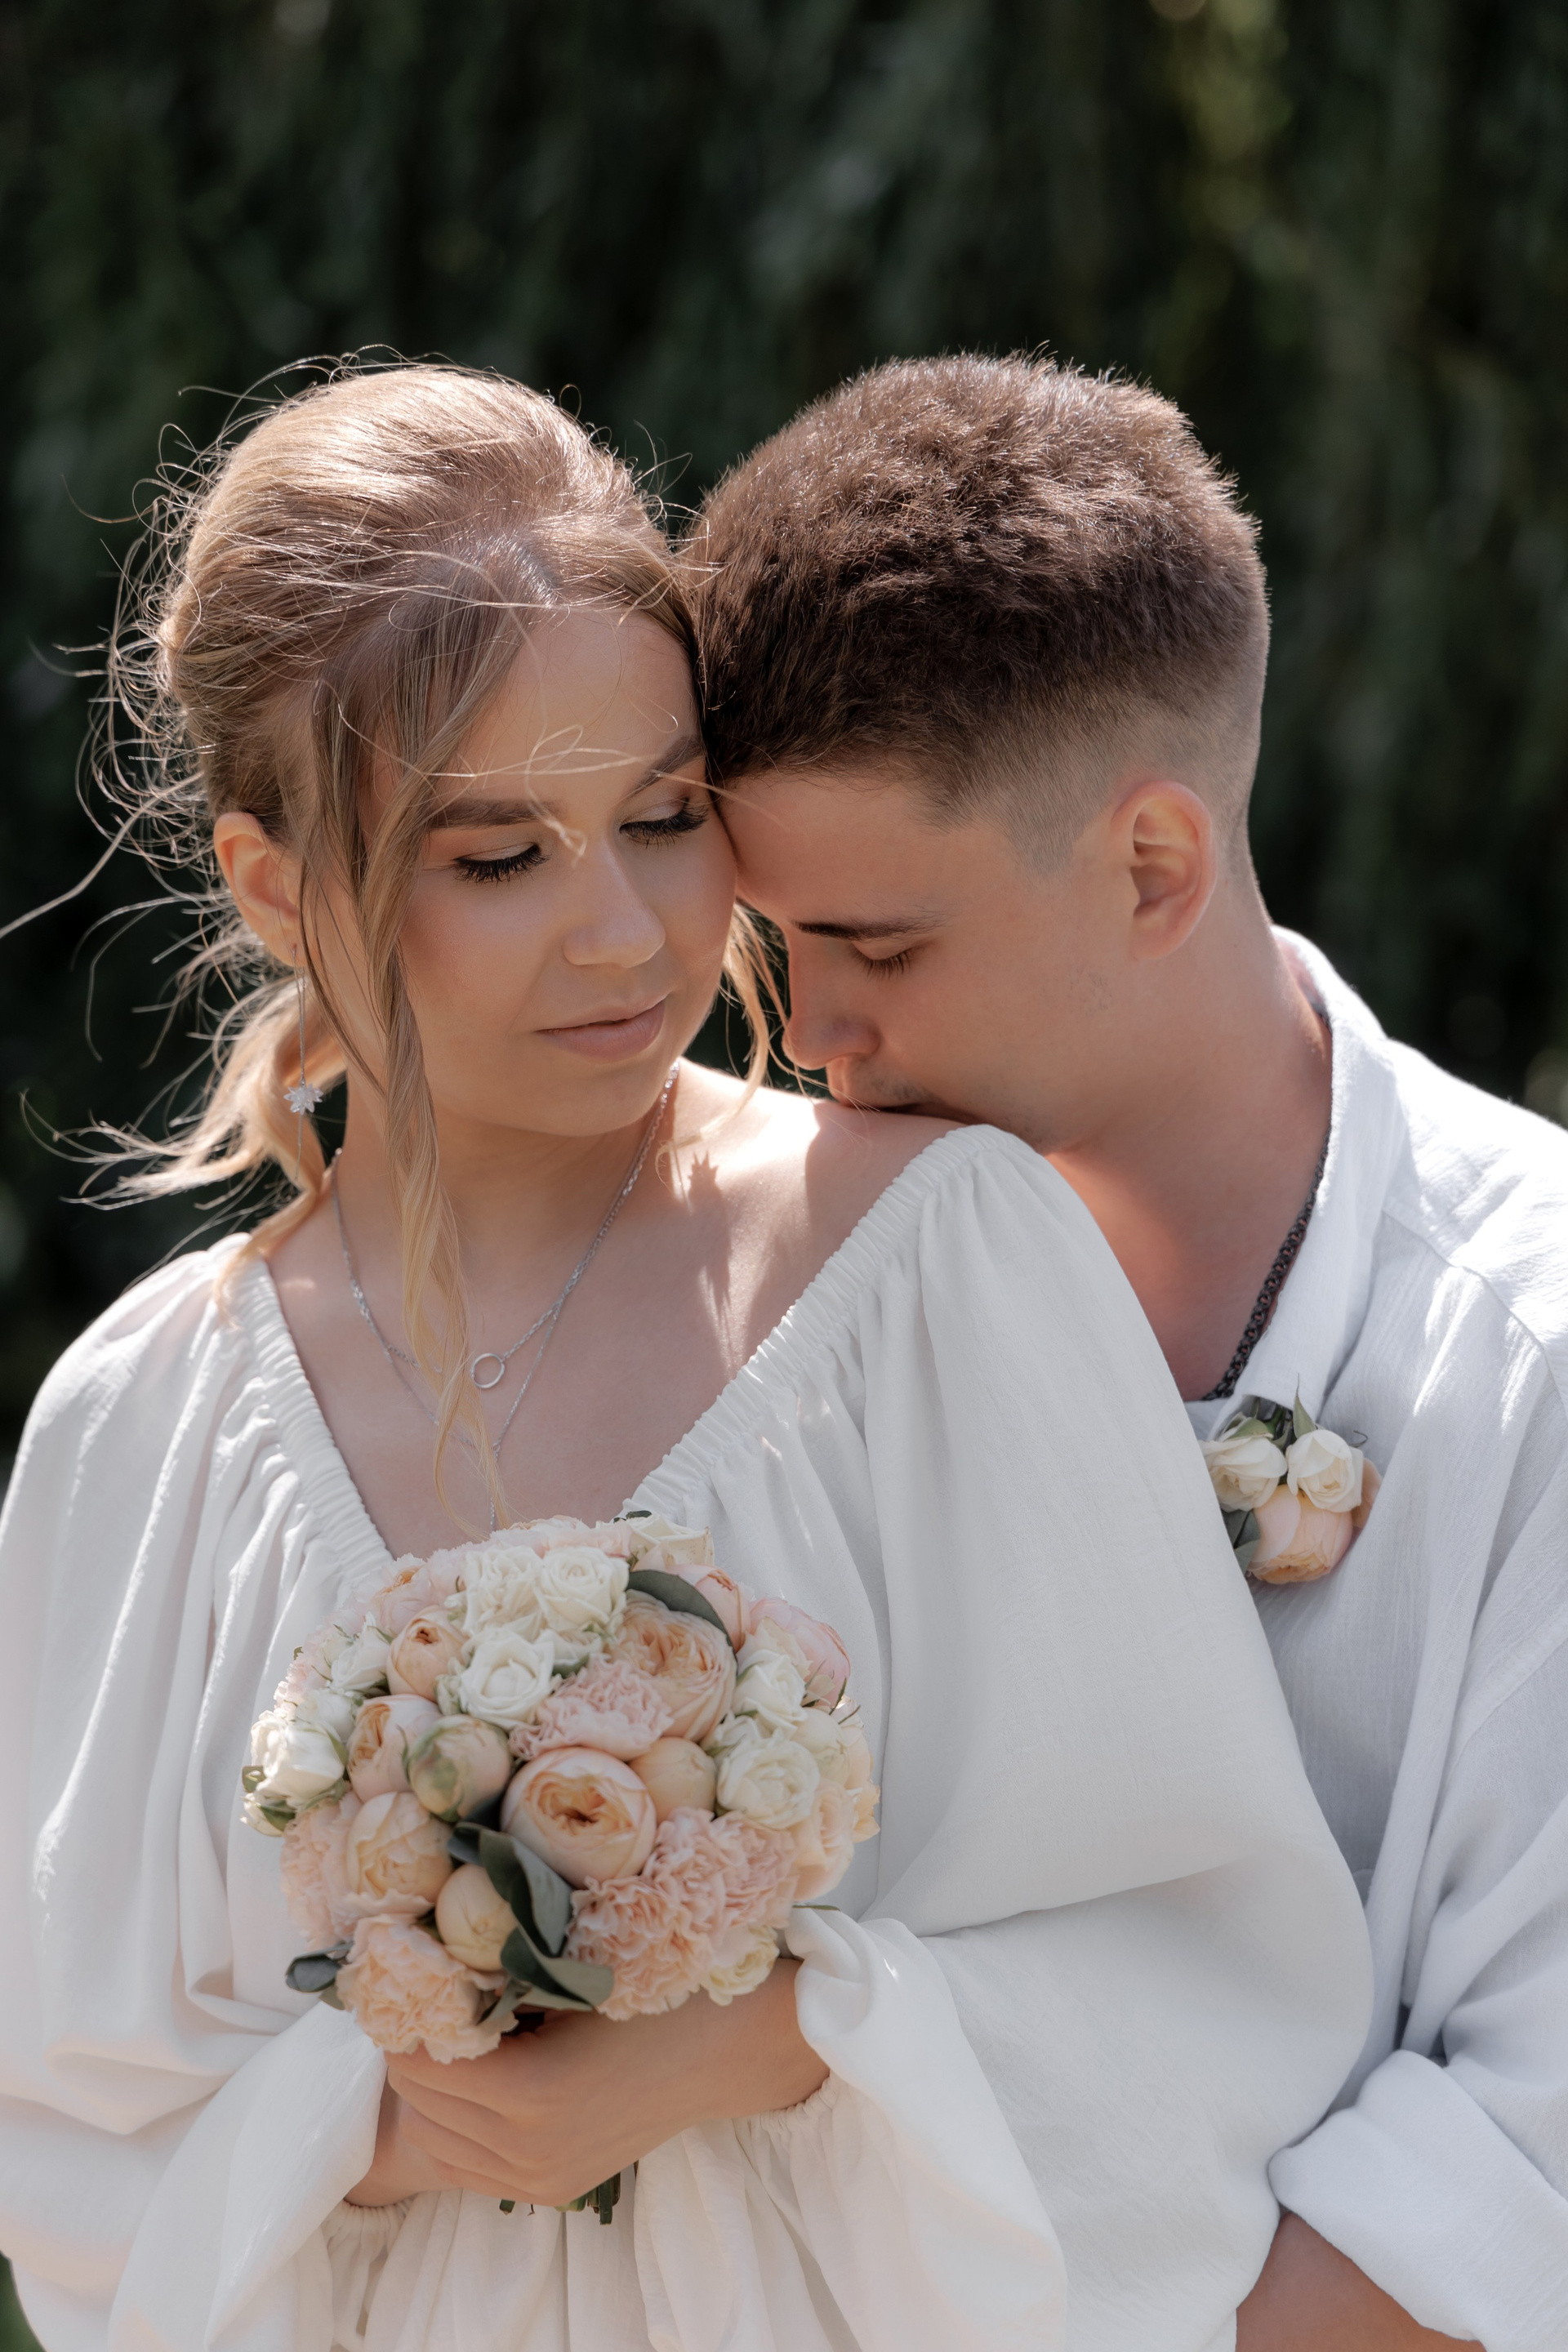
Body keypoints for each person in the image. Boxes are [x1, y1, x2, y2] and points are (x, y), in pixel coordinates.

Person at [0, 363, 1369, 2352]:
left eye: (661, 818)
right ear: (277, 885)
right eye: (497, 858)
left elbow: (1218, 1961)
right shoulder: (142, 1428)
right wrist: (374, 2121)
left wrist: (782, 2032)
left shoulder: (942, 1260)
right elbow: (63, 2130)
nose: (625, 935)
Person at [696, 350, 1568, 2352]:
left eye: (880, 948)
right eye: (776, 950)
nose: (810, 1036)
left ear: (1153, 867)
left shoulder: (1531, 1351)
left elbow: (1531, 2151)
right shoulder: (760, 1308)